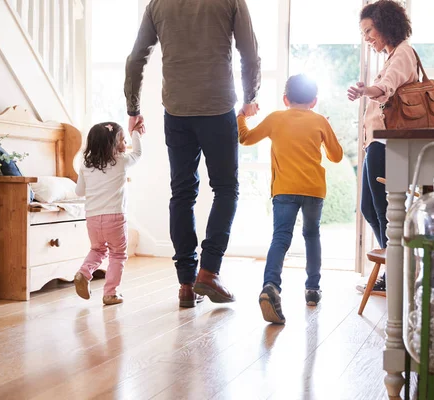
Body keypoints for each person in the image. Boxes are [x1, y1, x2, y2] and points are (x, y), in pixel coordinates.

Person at [124, 0, 261, 307]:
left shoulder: (157, 4)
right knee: (226, 189)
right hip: (218, 108)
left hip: (177, 111)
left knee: (182, 193)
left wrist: (133, 109)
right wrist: (251, 96)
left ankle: (186, 284)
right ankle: (209, 272)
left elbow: (135, 59)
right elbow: (249, 53)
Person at [238, 74, 344, 324]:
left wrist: (241, 117)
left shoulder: (276, 118)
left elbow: (245, 138)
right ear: (314, 101)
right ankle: (312, 290)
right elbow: (336, 156)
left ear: (285, 98)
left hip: (284, 189)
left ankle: (271, 286)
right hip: (313, 190)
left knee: (281, 237)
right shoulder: (319, 121)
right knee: (311, 235)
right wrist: (325, 132)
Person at [347, 0, 418, 293]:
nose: (366, 38)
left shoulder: (402, 53)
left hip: (386, 143)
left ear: (385, 26)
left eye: (369, 31)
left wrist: (368, 90)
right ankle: (395, 266)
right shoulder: (392, 55)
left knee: (382, 210)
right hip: (378, 143)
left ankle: (396, 271)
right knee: (370, 207)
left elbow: (387, 86)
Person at [74, 122, 144, 305]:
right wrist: (136, 133)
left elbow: (79, 192)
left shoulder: (85, 165)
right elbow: (137, 153)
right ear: (111, 144)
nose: (125, 142)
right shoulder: (121, 162)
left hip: (92, 218)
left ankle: (84, 272)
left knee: (97, 249)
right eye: (122, 139)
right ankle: (110, 293)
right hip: (115, 217)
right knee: (118, 254)